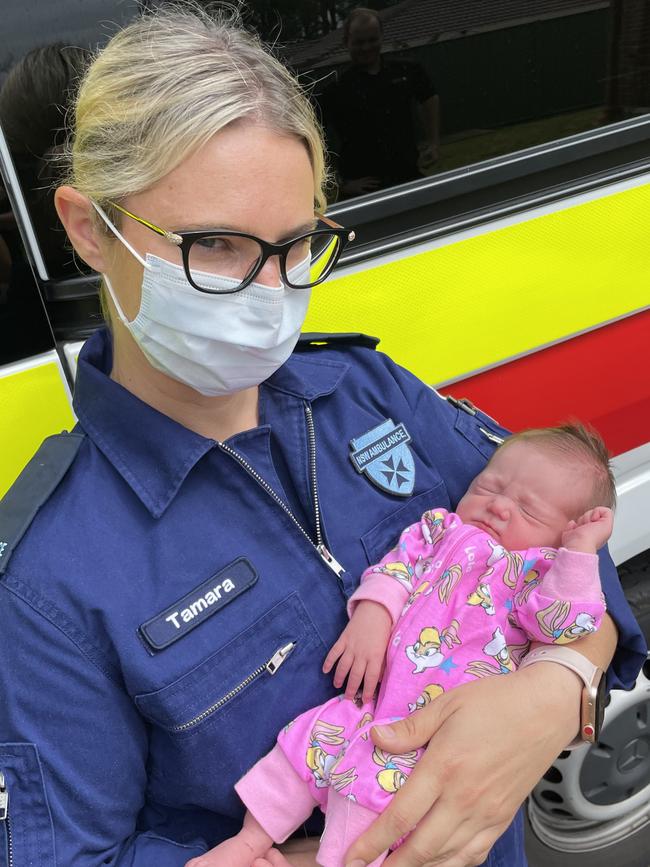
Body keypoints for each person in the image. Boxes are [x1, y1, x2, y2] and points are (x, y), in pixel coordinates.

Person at [0, 6, 645, 867]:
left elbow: (574, 540)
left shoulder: (368, 393)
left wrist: (556, 688)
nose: (270, 291)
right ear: (90, 228)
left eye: (297, 245)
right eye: (218, 246)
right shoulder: (54, 582)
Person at [186, 423, 614, 867]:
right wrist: (375, 612)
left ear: (564, 535)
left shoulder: (539, 574)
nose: (500, 506)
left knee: (372, 802)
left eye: (529, 510)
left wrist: (580, 555)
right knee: (299, 752)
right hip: (368, 704)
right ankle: (249, 842)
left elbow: (566, 624)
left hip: (430, 737)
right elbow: (398, 567)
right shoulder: (439, 528)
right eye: (489, 486)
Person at [319, 7, 439, 199]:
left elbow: (429, 97)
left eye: (372, 40)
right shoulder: (336, 88)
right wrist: (339, 184)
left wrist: (433, 143)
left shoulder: (407, 71)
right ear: (346, 42)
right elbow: (312, 138)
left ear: (382, 37)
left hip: (407, 179)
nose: (366, 47)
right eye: (359, 42)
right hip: (363, 192)